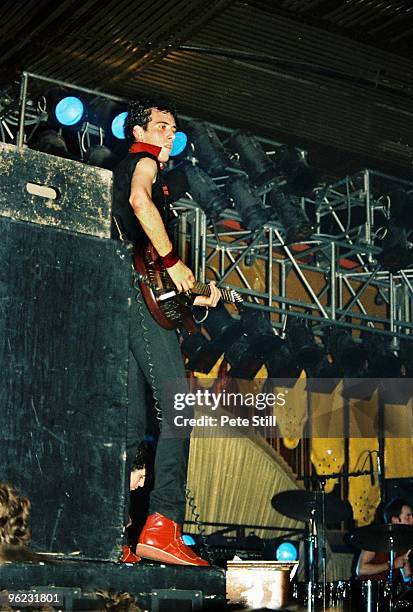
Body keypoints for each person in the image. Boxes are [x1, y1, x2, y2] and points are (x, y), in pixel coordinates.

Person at [112, 97, 220, 566]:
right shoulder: (143, 163)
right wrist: (177, 262)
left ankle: (113, 533)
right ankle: (163, 525)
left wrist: (199, 293)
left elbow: (152, 269)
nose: (169, 134)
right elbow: (139, 202)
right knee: (178, 406)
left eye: (173, 128)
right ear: (138, 132)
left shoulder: (143, 170)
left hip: (126, 297)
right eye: (160, 126)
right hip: (137, 298)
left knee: (134, 424)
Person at [356, 497, 412, 580]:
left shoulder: (404, 542)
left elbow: (407, 576)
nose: (412, 520)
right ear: (395, 520)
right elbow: (361, 570)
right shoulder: (375, 538)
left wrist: (409, 578)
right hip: (367, 589)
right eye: (408, 517)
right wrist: (391, 565)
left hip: (388, 590)